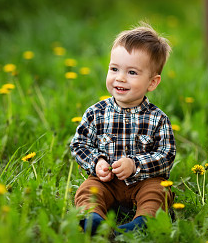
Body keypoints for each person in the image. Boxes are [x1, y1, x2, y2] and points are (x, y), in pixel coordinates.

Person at [70, 22, 176, 236]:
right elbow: (80, 144)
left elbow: (166, 154)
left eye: (132, 72)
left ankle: (142, 223)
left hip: (143, 181)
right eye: (114, 69)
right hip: (106, 181)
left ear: (152, 82)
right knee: (89, 190)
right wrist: (97, 162)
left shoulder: (157, 119)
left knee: (158, 192)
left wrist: (135, 164)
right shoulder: (96, 113)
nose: (120, 77)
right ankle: (93, 218)